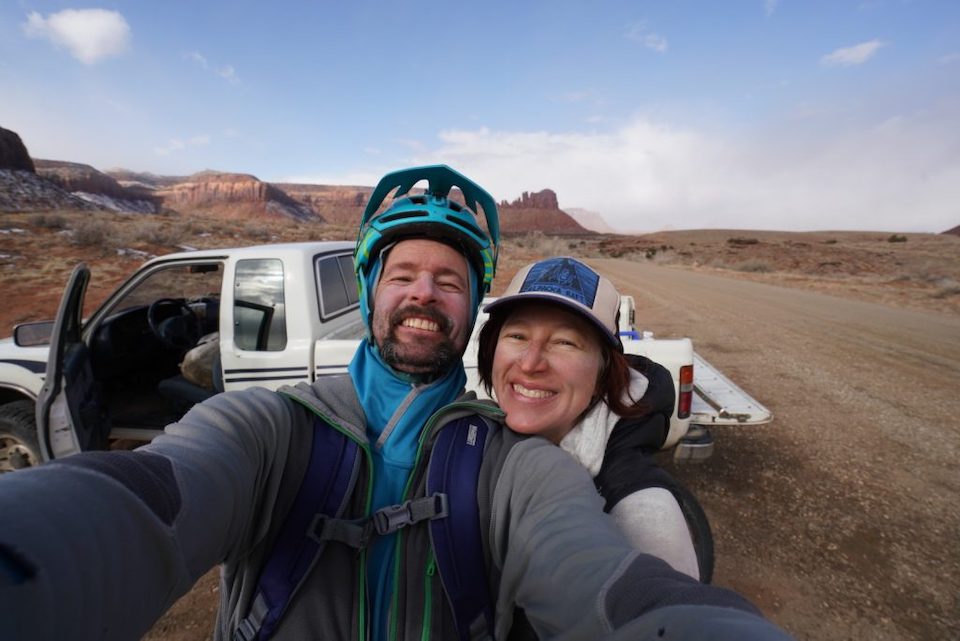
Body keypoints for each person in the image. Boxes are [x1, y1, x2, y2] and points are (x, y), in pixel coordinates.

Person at [0, 165, 794, 641]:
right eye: (403, 272)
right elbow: (147, 498)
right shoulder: (272, 425)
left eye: (450, 280)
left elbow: (605, 582)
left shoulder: (514, 464)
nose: (424, 292)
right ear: (371, 290)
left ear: (470, 308)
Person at [477, 257, 702, 580]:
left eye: (565, 342)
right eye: (518, 336)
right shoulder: (476, 442)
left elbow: (669, 615)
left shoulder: (637, 506)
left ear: (603, 374)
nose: (530, 364)